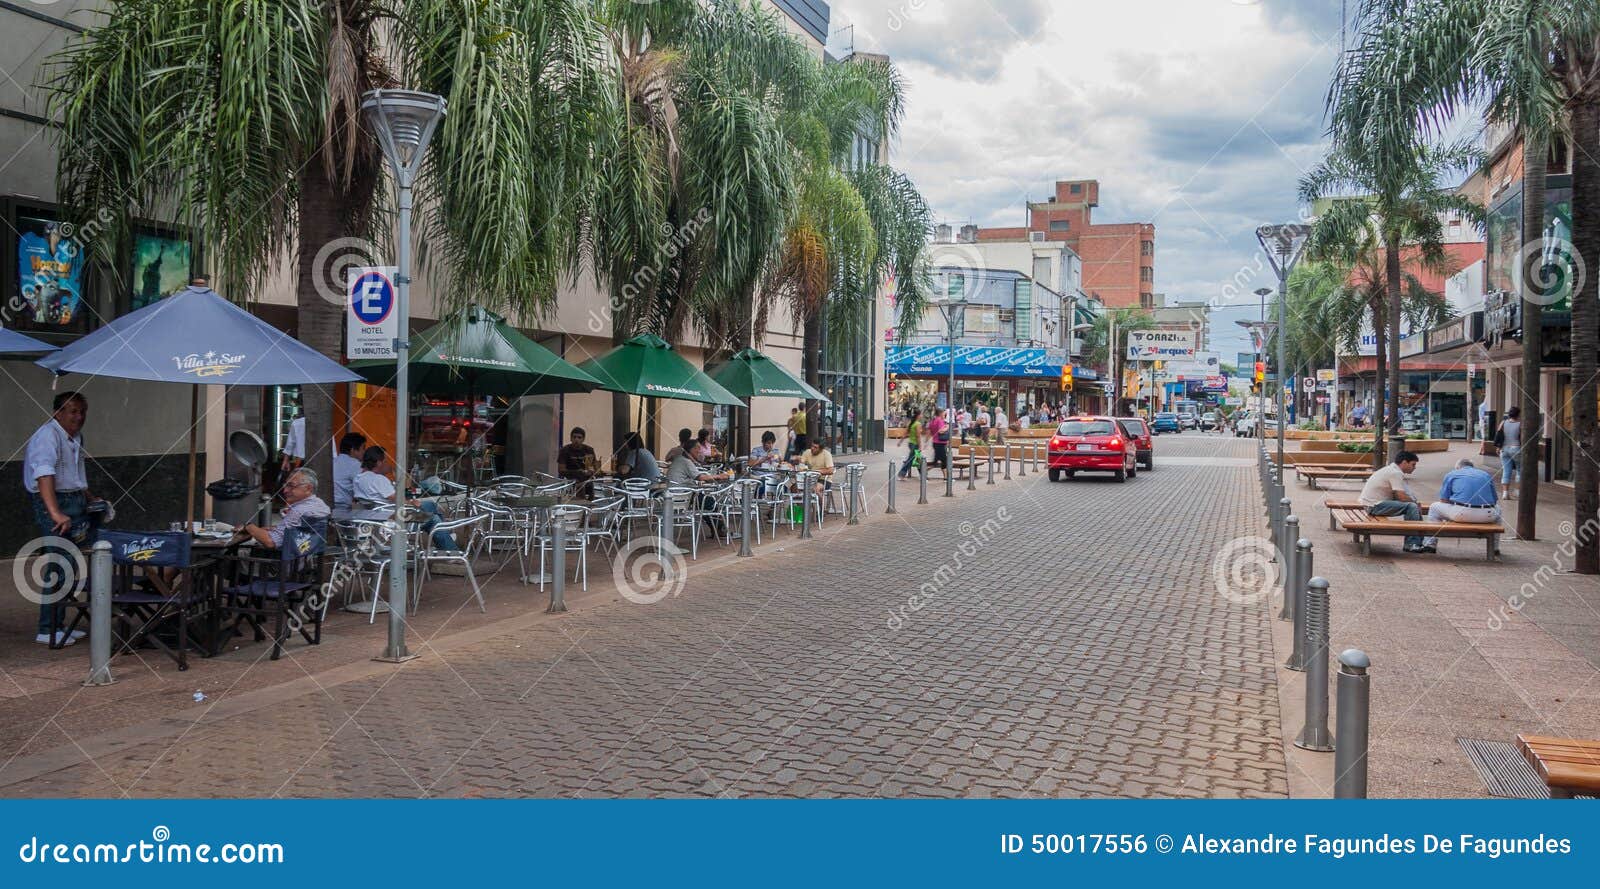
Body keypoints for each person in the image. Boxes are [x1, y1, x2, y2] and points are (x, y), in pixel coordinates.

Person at [24, 391, 103, 646]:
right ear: (57, 413)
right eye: (73, 411)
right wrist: (56, 512)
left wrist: (90, 497)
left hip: (75, 499)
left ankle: (59, 624)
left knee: (72, 562)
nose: (78, 417)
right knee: (59, 564)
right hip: (55, 501)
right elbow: (44, 474)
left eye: (82, 412)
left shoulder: (75, 437)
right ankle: (47, 629)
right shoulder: (47, 436)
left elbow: (75, 474)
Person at [352, 446, 458, 551]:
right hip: (395, 519)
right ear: (379, 463)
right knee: (433, 518)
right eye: (385, 461)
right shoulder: (379, 479)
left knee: (430, 505)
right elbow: (398, 500)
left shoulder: (358, 478)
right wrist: (412, 503)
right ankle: (451, 550)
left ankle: (446, 535)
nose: (387, 464)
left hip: (376, 518)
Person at [236, 468, 330, 550]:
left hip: (287, 561)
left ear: (308, 488)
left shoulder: (298, 511)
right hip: (305, 556)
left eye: (291, 486)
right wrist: (269, 529)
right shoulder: (322, 506)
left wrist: (249, 527)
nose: (285, 490)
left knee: (242, 549)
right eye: (285, 485)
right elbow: (294, 530)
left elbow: (271, 542)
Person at [1422, 459, 1500, 552]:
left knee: (1434, 507)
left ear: (1457, 467)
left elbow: (1443, 500)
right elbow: (1495, 500)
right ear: (1472, 467)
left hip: (1461, 513)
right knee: (1499, 508)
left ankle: (1430, 544)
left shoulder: (1452, 474)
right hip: (1487, 515)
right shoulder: (1485, 474)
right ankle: (1495, 548)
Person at [1359, 450, 1426, 553]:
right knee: (1411, 507)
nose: (1414, 467)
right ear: (1404, 462)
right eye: (1413, 464)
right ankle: (1412, 544)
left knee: (1413, 506)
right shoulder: (1395, 473)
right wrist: (1415, 504)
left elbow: (1402, 494)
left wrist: (1415, 503)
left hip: (1371, 504)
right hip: (1374, 506)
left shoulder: (1391, 470)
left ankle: (1418, 541)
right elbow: (1401, 496)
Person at [557, 427, 598, 497]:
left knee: (590, 482)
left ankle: (589, 504)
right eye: (574, 437)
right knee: (580, 483)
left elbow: (595, 467)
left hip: (587, 479)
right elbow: (561, 470)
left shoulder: (589, 450)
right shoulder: (565, 450)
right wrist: (578, 472)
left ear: (583, 439)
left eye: (579, 437)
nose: (576, 440)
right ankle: (581, 504)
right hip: (570, 478)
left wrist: (592, 471)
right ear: (571, 438)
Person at [332, 432, 367, 510]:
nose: (364, 452)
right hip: (341, 509)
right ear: (353, 450)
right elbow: (366, 486)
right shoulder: (355, 464)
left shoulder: (333, 461)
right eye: (363, 448)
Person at [1496, 406, 1522, 500]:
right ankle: (1517, 491)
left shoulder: (1503, 423)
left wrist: (1499, 447)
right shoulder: (1520, 424)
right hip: (1516, 448)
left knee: (1506, 471)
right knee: (1519, 470)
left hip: (1504, 449)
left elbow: (1499, 435)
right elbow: (1522, 438)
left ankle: (1505, 493)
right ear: (1518, 414)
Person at [899, 408, 924, 479]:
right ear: (918, 415)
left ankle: (923, 475)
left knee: (918, 459)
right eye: (921, 414)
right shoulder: (918, 424)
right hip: (915, 445)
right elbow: (918, 436)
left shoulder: (911, 423)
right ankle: (902, 474)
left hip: (911, 443)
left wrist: (900, 442)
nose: (922, 416)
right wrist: (920, 446)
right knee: (910, 460)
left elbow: (905, 433)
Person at [927, 408, 950, 479]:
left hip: (935, 442)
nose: (945, 415)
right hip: (940, 443)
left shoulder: (933, 420)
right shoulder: (940, 420)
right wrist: (947, 427)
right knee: (943, 460)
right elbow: (940, 431)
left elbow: (930, 431)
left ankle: (946, 477)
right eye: (944, 413)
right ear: (940, 413)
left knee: (938, 460)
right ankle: (924, 470)